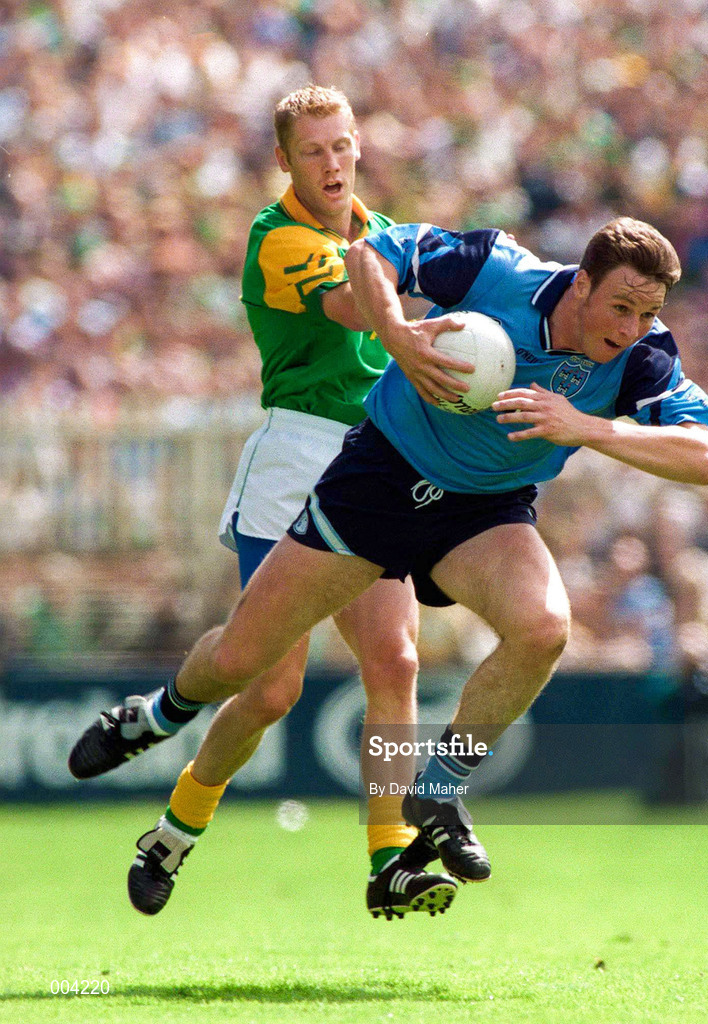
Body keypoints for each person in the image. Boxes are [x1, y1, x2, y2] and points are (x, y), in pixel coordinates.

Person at [73, 213, 708, 891]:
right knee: (245, 658)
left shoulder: (644, 354)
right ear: (582, 283)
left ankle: (437, 794)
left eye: (646, 313)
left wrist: (589, 427)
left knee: (541, 629)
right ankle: (158, 713)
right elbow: (370, 253)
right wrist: (398, 337)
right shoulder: (496, 268)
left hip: (484, 511)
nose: (628, 328)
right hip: (380, 483)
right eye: (620, 307)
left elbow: (704, 457)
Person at [69, 85, 457, 922]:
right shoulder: (278, 238)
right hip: (297, 458)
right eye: (314, 150)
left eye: (343, 145)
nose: (333, 163)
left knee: (395, 661)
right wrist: (423, 334)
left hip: (375, 461)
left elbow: (438, 278)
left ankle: (388, 854)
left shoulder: (386, 231)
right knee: (269, 683)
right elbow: (356, 306)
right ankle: (168, 784)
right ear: (284, 160)